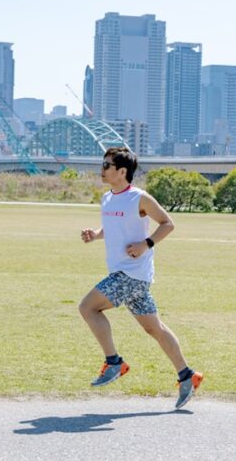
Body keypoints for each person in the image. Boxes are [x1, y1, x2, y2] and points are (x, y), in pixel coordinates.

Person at [79, 147, 203, 409]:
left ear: (122, 171)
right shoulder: (107, 198)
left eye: (107, 165)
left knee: (88, 307)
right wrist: (95, 234)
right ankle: (187, 376)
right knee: (154, 328)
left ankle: (114, 362)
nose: (102, 169)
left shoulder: (140, 198)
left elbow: (168, 223)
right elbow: (113, 229)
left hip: (132, 274)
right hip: (126, 274)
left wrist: (146, 244)